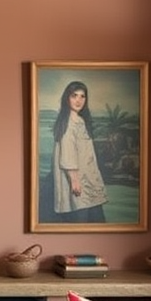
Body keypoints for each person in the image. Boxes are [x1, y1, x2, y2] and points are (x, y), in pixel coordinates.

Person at [50, 80, 107, 223]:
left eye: (82, 96)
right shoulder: (69, 122)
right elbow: (68, 154)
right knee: (82, 217)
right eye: (74, 95)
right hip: (79, 181)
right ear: (67, 98)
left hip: (88, 177)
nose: (78, 100)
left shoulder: (80, 120)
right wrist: (75, 181)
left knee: (96, 218)